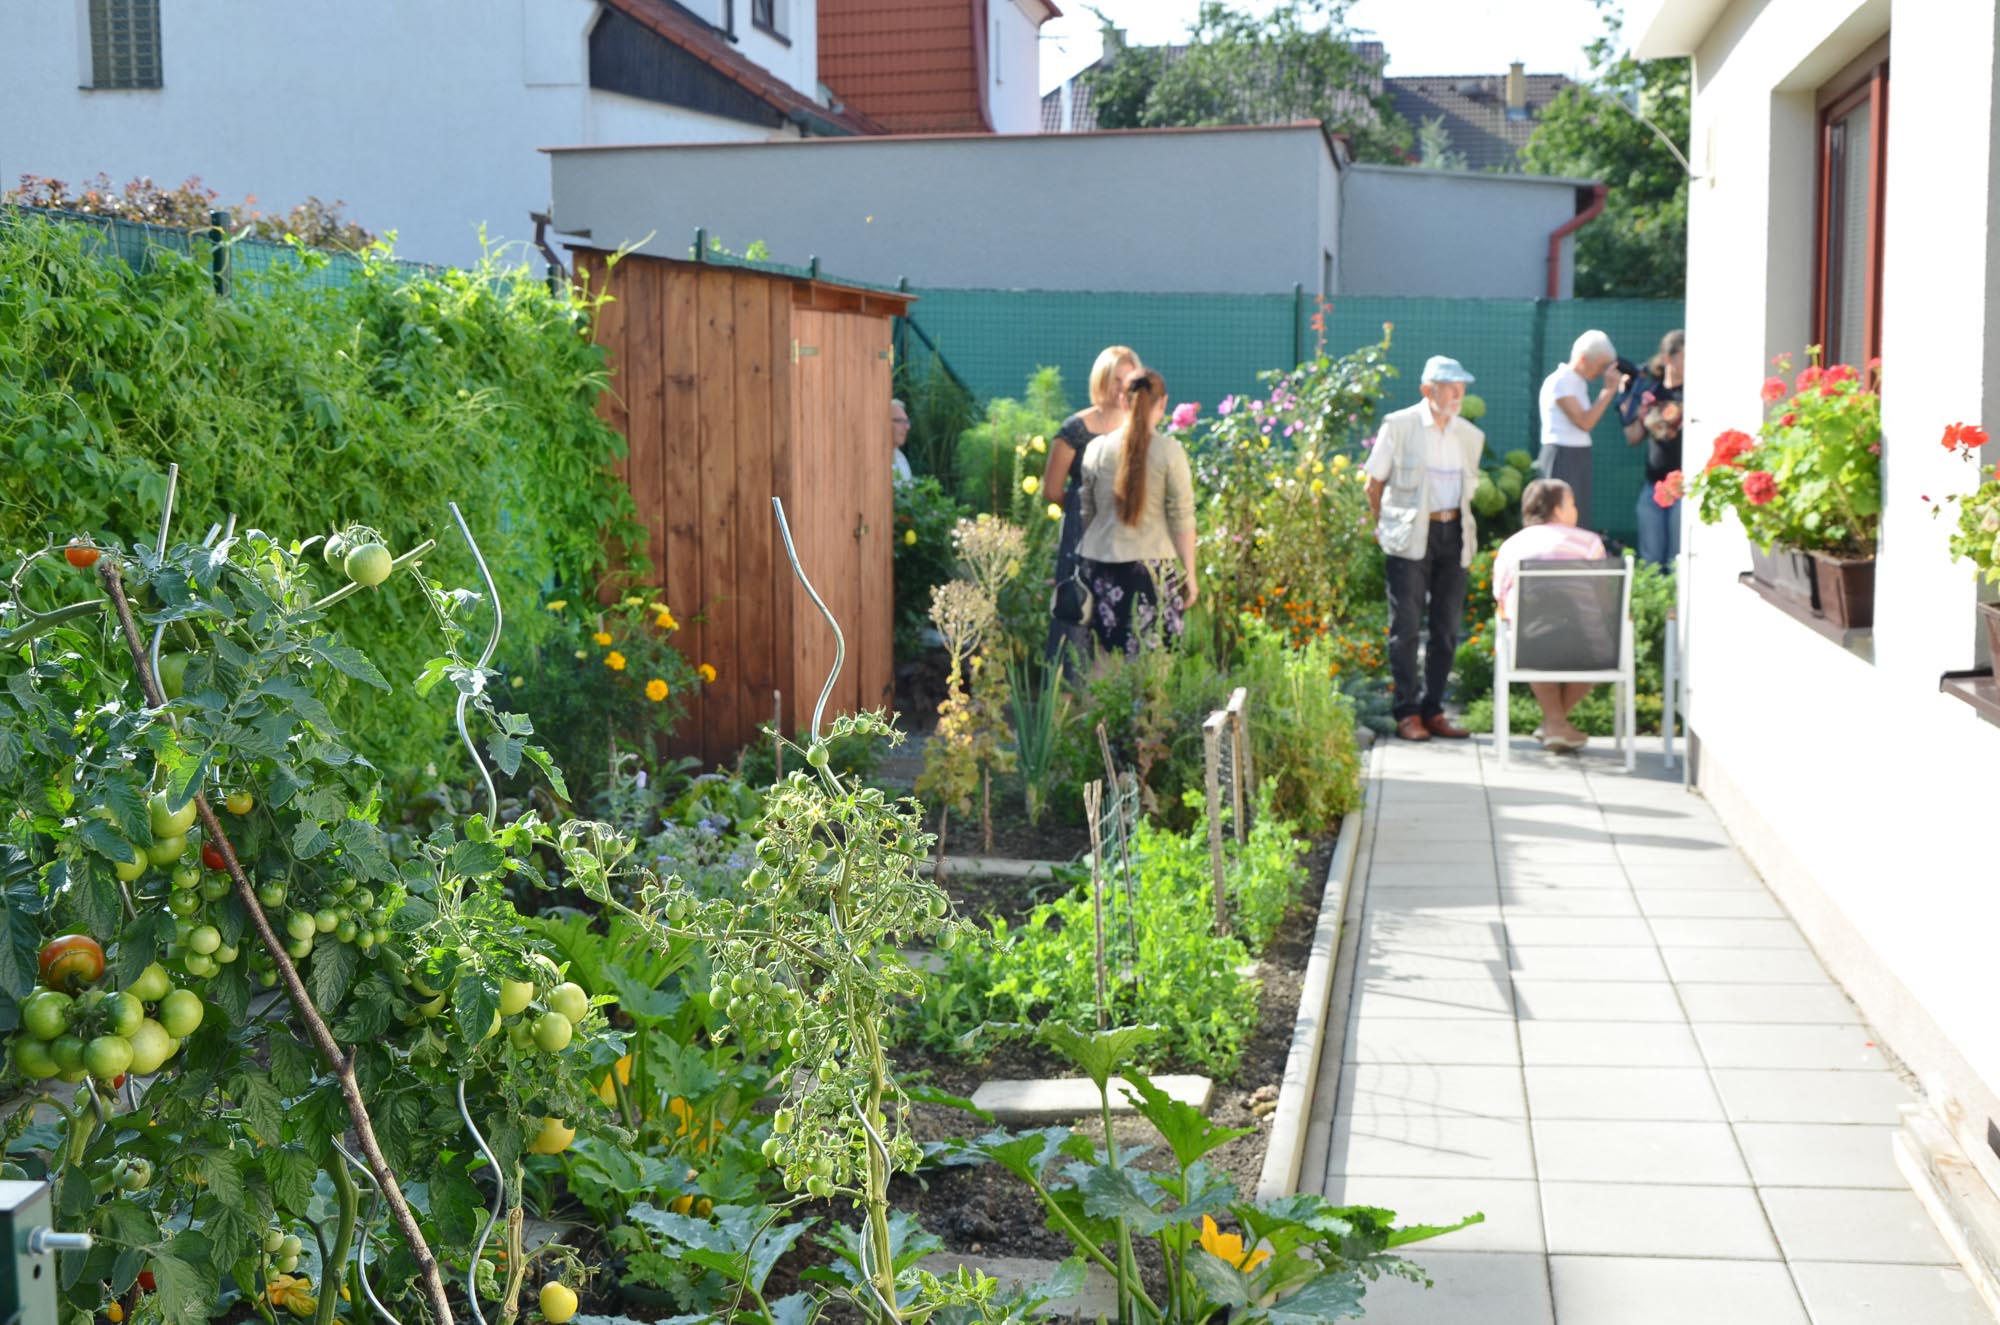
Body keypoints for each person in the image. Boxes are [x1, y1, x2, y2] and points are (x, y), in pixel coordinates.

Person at [1364, 355, 1486, 742]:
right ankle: (1407, 712)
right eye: (1450, 388)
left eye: (1461, 388)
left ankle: (1434, 710)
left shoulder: (1469, 435)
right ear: (1427, 390)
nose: (1458, 395)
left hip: (1454, 533)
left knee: (1446, 627)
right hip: (1410, 534)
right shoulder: (1399, 426)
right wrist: (1384, 526)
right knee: (1405, 625)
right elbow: (1373, 483)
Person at [1077, 368, 1197, 657]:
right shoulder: (1170, 452)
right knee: (1155, 664)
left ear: (1123, 400)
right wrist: (1190, 575)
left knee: (1104, 662)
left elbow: (1088, 513)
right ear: (1163, 403)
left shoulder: (1096, 449)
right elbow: (1182, 519)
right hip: (1155, 571)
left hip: (1104, 568)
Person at [1492, 477, 1608, 753]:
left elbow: (1500, 596)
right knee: (1600, 644)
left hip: (1528, 644)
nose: (1576, 510)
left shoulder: (1513, 546)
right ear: (1557, 509)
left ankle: (1554, 724)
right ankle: (1556, 724)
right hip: (1587, 644)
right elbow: (1604, 597)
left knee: (1535, 640)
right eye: (1572, 504)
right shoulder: (1590, 543)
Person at [1041, 344, 1140, 667]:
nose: (1121, 388)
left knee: (1125, 619)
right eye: (1115, 379)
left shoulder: (1139, 429)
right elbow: (1052, 490)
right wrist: (1083, 509)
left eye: (1128, 380)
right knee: (1075, 620)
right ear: (1101, 380)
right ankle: (1068, 693)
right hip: (1081, 539)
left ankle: (1119, 692)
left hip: (1127, 538)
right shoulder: (1075, 429)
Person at [1536, 330, 1627, 530]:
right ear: (1584, 358)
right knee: (1556, 517)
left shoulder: (1577, 382)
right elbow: (1585, 422)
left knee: (1578, 517)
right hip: (1561, 455)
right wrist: (1608, 391)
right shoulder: (1560, 381)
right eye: (1601, 365)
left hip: (1578, 455)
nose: (1603, 372)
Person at [1621, 329, 1686, 569]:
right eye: (1685, 356)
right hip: (1653, 487)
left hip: (1683, 489)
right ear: (1668, 358)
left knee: (1677, 559)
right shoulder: (1651, 394)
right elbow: (1633, 437)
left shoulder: (1695, 393)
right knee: (1651, 560)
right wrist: (1626, 401)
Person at [890, 398, 913, 486]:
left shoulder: (901, 458)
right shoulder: (870, 459)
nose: (907, 427)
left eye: (906, 422)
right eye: (899, 421)